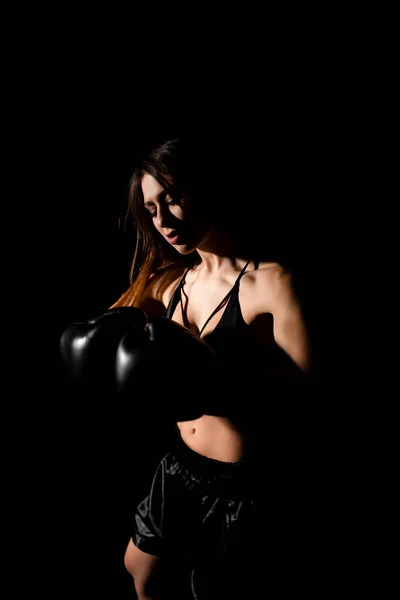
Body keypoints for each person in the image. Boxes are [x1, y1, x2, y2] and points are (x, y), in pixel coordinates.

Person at [101, 137, 315, 599]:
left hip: (243, 485)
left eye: (173, 199)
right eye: (152, 210)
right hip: (180, 466)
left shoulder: (272, 282)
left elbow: (310, 394)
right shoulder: (170, 282)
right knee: (140, 569)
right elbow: (107, 339)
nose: (163, 221)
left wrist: (214, 380)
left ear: (204, 189)